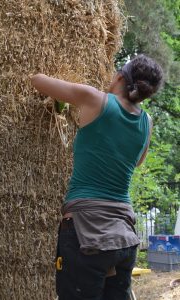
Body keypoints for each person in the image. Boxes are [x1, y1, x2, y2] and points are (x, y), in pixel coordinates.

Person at [31, 54, 163, 300]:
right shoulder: (147, 121)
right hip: (123, 236)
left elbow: (38, 80)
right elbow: (138, 161)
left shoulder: (95, 99)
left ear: (120, 76)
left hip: (86, 233)